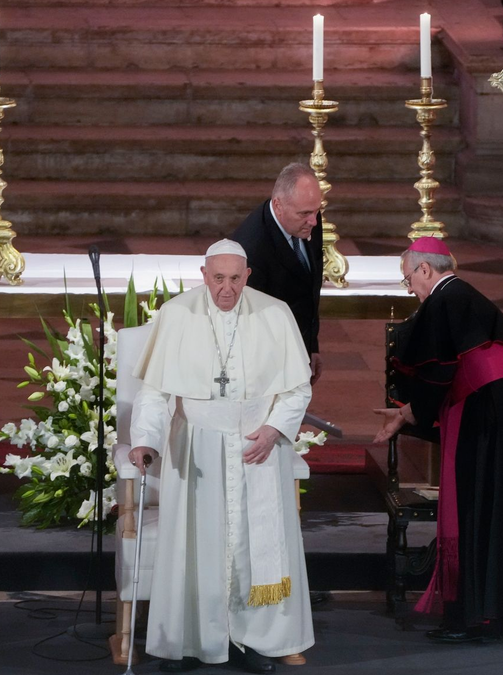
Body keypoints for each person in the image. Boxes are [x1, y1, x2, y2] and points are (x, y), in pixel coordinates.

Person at [373, 236, 503, 643]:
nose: (409, 287)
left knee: (476, 507)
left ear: (425, 269)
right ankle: (499, 611)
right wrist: (412, 412)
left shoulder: (444, 299)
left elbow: (435, 373)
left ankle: (469, 617)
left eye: (407, 278)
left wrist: (406, 413)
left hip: (486, 410)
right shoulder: (462, 294)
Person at [128, 239, 314, 674]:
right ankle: (190, 642)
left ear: (247, 275)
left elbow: (297, 389)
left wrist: (273, 430)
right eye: (218, 278)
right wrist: (145, 440)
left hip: (257, 448)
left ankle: (252, 640)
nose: (226, 289)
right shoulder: (177, 314)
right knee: (195, 546)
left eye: (235, 278)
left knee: (252, 546)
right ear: (203, 274)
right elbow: (155, 394)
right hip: (196, 448)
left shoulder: (274, 313)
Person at [231, 162, 323, 384]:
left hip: (298, 348)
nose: (314, 220)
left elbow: (309, 287)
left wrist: (311, 345)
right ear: (278, 206)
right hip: (269, 364)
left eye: (317, 211)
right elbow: (251, 325)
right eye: (305, 213)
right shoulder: (251, 249)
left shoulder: (308, 220)